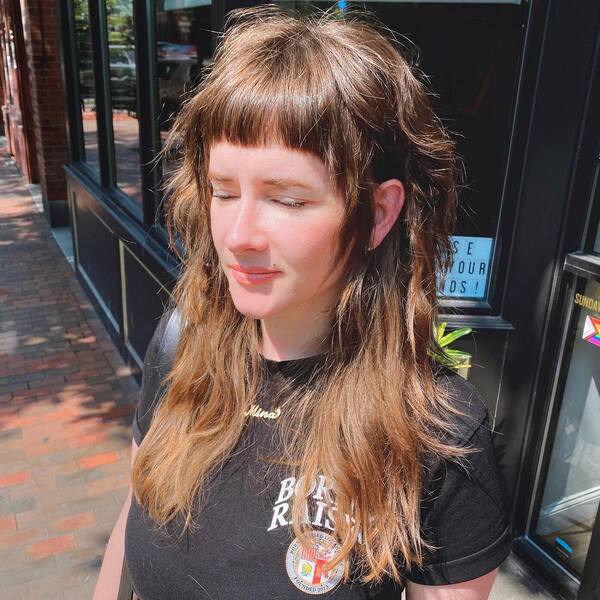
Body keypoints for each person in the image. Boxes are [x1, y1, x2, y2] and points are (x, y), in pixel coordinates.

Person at [93, 5, 511, 599]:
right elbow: (130, 526)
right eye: (222, 190)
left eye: (287, 199)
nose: (238, 234)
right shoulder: (182, 347)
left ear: (378, 214)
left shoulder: (436, 435)